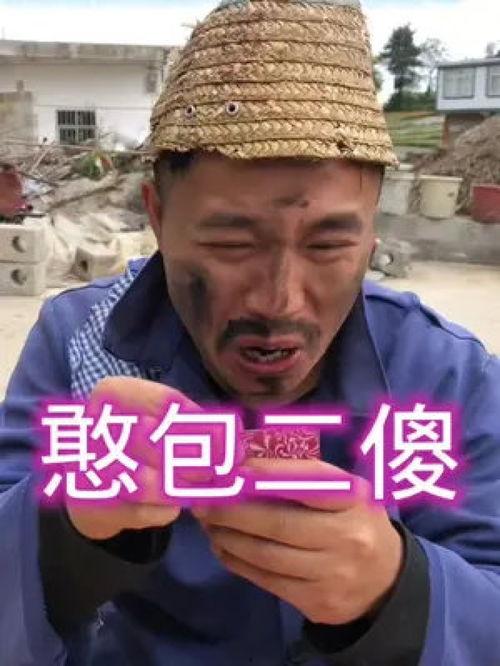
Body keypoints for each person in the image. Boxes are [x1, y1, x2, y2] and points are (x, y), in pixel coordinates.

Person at [1, 1, 500, 664]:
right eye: (231, 243)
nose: (279, 301)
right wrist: (64, 528)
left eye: (328, 244)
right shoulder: (79, 343)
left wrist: (399, 591)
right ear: (157, 215)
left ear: (372, 230)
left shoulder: (446, 374)